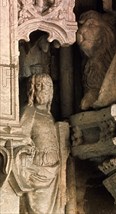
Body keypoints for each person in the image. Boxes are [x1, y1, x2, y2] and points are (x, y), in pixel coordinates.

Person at [13, 74, 68, 214]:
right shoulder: (29, 112)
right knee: (40, 210)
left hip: (54, 171)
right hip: (37, 172)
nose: (44, 89)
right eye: (39, 85)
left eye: (48, 86)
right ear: (32, 89)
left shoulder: (50, 116)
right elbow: (20, 139)